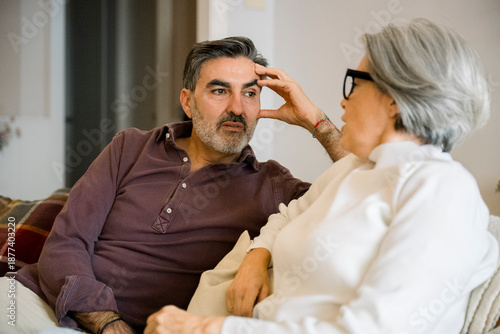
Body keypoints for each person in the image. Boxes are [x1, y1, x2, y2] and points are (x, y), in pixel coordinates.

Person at [144, 18, 498, 334]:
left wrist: (210, 328)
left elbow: (375, 328)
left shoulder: (442, 190)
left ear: (395, 99)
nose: (343, 102)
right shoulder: (354, 168)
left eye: (355, 83)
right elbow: (286, 216)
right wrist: (258, 255)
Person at [2, 37, 347, 333]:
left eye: (250, 94)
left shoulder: (273, 185)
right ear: (187, 101)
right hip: (35, 304)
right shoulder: (130, 147)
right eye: (219, 90)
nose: (236, 108)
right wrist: (107, 323)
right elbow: (67, 241)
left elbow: (361, 185)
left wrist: (315, 121)